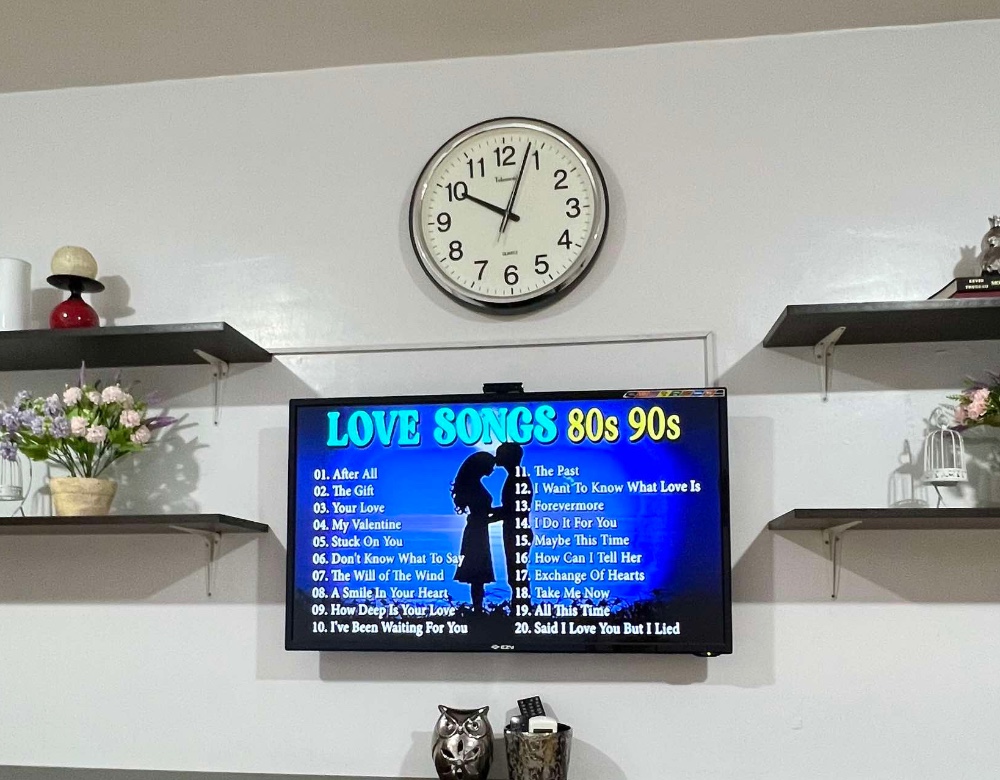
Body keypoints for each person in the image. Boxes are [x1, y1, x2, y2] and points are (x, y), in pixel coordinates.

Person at [451, 451, 501, 612]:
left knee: (478, 575)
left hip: (478, 530)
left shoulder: (474, 485)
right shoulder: (473, 487)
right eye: (491, 465)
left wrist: (502, 512)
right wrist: (505, 513)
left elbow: (484, 513)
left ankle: (478, 608)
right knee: (477, 573)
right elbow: (482, 516)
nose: (493, 469)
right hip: (476, 532)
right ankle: (478, 610)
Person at [494, 442, 533, 613]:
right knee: (516, 572)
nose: (496, 458)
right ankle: (520, 607)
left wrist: (483, 517)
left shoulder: (517, 479)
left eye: (500, 454)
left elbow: (510, 510)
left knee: (517, 573)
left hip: (517, 532)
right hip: (514, 530)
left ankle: (521, 609)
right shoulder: (515, 477)